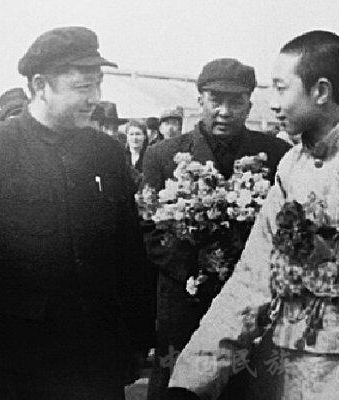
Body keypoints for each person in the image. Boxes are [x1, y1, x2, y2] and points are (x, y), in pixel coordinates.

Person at [0, 26, 153, 400]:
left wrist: (142, 329)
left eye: (98, 85)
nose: (95, 99)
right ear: (39, 85)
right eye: (82, 87)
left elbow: (127, 247)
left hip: (91, 354)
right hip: (11, 357)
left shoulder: (106, 152)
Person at [168, 30, 339, 400]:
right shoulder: (290, 166)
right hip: (284, 375)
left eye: (281, 88)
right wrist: (190, 381)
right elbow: (251, 279)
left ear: (321, 91)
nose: (273, 104)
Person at [142, 58, 290, 400]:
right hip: (185, 300)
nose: (224, 111)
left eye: (235, 101)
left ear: (249, 105)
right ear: (200, 101)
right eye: (215, 100)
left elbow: (283, 224)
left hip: (249, 306)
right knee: (180, 388)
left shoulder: (275, 154)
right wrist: (200, 269)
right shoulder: (163, 156)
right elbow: (149, 228)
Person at [125, 119, 149, 186]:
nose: (134, 138)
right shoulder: (121, 156)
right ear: (127, 136)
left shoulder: (150, 156)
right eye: (131, 134)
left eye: (138, 134)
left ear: (144, 136)